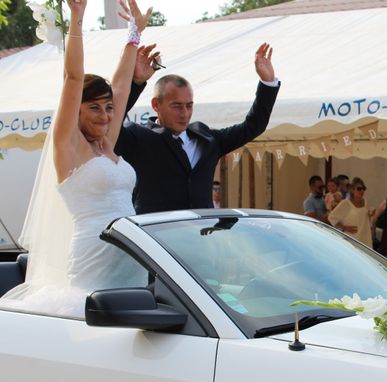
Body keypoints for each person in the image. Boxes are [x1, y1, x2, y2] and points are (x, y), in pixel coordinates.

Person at [0, 0, 152, 317]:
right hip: (93, 260)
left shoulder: (107, 144)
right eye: (94, 107)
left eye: (108, 108)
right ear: (77, 109)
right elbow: (73, 78)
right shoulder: (70, 147)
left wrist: (134, 34)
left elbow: (121, 86)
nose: (105, 114)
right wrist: (77, 19)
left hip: (131, 258)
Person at [116, 44, 280, 214]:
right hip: (155, 235)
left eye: (189, 105)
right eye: (177, 106)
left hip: (201, 236)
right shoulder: (139, 137)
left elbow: (253, 126)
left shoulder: (208, 139)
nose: (185, 113)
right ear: (156, 104)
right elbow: (112, 124)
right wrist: (135, 82)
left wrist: (267, 83)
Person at [328, 177, 373, 247]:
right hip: (351, 241)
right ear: (352, 190)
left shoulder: (365, 202)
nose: (362, 191)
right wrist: (345, 228)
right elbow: (331, 218)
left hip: (365, 240)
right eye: (359, 189)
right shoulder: (345, 203)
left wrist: (371, 214)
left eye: (363, 188)